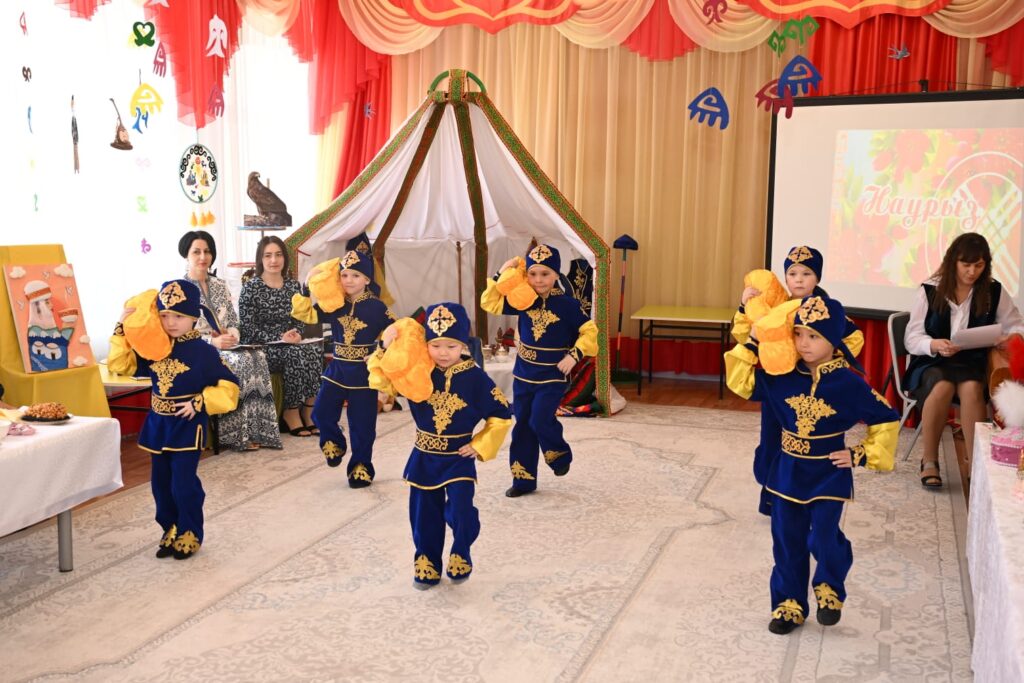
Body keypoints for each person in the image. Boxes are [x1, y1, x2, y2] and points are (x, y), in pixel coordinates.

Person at [725, 294, 899, 634]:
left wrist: (860, 454)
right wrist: (753, 342)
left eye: (814, 336)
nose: (803, 343)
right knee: (786, 540)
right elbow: (741, 383)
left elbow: (887, 418)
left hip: (828, 473)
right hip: (787, 472)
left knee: (822, 536)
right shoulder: (782, 376)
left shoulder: (848, 383)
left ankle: (829, 586)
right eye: (798, 334)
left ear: (833, 340)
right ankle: (789, 604)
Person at [369, 303, 513, 589]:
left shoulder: (475, 378)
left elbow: (501, 414)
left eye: (451, 346)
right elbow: (383, 382)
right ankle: (427, 562)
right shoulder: (417, 370)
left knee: (461, 512)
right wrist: (384, 349)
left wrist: (480, 444)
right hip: (424, 456)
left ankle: (461, 551)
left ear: (464, 345)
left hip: (458, 457)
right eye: (435, 345)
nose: (443, 353)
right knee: (423, 515)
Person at [108, 279, 240, 559]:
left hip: (187, 426)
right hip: (158, 424)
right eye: (165, 315)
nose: (170, 323)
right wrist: (121, 328)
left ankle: (190, 531)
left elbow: (230, 385)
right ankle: (170, 527)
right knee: (160, 483)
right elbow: (120, 365)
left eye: (178, 316)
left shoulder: (204, 352)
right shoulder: (154, 346)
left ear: (193, 317)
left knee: (183, 482)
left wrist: (200, 402)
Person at [731, 246, 865, 516]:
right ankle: (772, 495)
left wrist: (823, 360)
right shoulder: (774, 306)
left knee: (808, 441)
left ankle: (812, 498)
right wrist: (745, 306)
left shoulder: (825, 309)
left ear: (817, 278)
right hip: (777, 384)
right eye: (792, 274)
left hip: (810, 388)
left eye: (807, 273)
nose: (799, 280)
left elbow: (853, 337)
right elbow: (744, 333)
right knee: (772, 439)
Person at [904, 233, 1024, 488]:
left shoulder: (993, 290)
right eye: (966, 265)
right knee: (942, 386)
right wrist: (934, 344)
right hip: (933, 362)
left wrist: (1009, 337)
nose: (972, 272)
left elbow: (1017, 326)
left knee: (971, 388)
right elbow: (911, 338)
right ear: (953, 262)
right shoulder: (930, 289)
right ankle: (929, 460)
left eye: (978, 265)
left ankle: (976, 464)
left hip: (971, 362)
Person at [481, 244, 598, 497]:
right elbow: (489, 302)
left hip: (553, 376)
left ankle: (559, 455)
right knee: (523, 425)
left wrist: (574, 355)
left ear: (556, 274)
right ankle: (522, 480)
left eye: (545, 274)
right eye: (532, 274)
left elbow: (590, 332)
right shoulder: (523, 299)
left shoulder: (567, 305)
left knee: (539, 419)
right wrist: (502, 272)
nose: (538, 280)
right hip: (523, 375)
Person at [291, 249, 395, 487]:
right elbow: (308, 316)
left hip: (364, 375)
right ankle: (334, 443)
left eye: (355, 275)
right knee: (320, 413)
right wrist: (305, 288)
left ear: (367, 279)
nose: (348, 280)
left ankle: (361, 467)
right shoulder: (334, 304)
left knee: (362, 426)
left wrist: (379, 351)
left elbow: (397, 333)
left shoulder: (378, 308)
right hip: (337, 370)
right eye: (344, 275)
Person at [179, 231, 282, 451]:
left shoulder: (220, 284)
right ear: (186, 255)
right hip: (197, 350)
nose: (203, 257)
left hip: (227, 346)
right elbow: (179, 333)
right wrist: (212, 342)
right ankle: (236, 436)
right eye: (196, 252)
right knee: (240, 362)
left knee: (258, 356)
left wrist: (233, 335)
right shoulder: (180, 289)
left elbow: (234, 320)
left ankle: (260, 431)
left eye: (207, 251)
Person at [238, 236, 322, 437]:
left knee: (313, 351)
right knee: (294, 354)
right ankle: (290, 412)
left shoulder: (293, 286)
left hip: (289, 342)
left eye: (278, 255)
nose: (273, 260)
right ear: (260, 259)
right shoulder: (251, 288)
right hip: (261, 346)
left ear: (285, 258)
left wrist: (297, 333)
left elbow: (300, 318)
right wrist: (279, 336)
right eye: (268, 255)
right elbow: (248, 328)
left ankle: (309, 411)